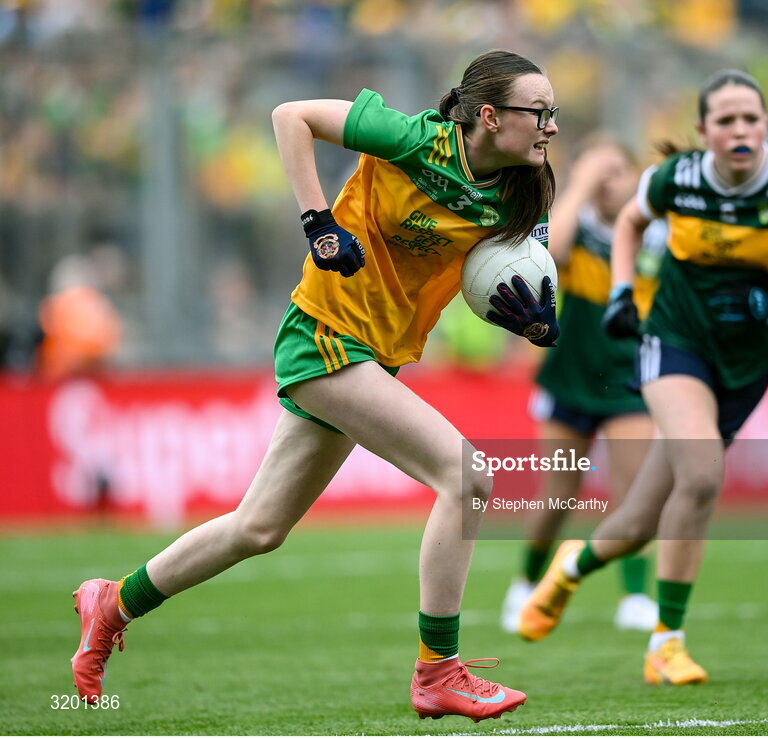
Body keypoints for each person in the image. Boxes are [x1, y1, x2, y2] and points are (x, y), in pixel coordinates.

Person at [70, 49, 561, 722]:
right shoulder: (415, 139)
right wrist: (318, 222)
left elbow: (512, 280)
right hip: (326, 335)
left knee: (259, 526)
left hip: (374, 354)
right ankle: (438, 670)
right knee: (467, 474)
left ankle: (113, 600)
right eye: (540, 113)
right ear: (488, 115)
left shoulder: (522, 190)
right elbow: (290, 115)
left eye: (552, 114)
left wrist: (537, 325)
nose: (551, 127)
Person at [518, 69, 768, 686]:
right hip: (673, 342)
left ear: (765, 125)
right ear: (703, 131)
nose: (740, 129)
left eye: (751, 119)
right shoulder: (674, 178)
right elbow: (630, 221)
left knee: (639, 521)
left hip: (748, 361)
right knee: (703, 475)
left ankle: (570, 568)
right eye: (726, 120)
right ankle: (667, 643)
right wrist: (625, 292)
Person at [500, 136, 662, 633]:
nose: (608, 184)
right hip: (569, 378)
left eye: (617, 172)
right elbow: (553, 247)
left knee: (636, 496)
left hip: (629, 381)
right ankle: (526, 585)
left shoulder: (655, 236)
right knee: (557, 499)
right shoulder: (580, 227)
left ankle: (635, 596)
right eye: (601, 175)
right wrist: (581, 180)